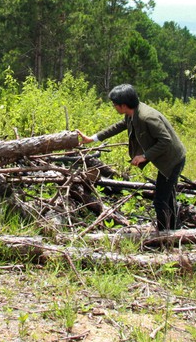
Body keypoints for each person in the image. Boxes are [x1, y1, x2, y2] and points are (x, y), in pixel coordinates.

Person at [77, 84, 186, 232]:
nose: (114, 107)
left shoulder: (146, 117)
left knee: (160, 200)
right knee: (167, 197)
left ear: (123, 105)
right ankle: (174, 229)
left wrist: (144, 156)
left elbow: (165, 141)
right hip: (167, 160)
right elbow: (117, 127)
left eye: (114, 104)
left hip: (172, 160)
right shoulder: (132, 114)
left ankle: (164, 235)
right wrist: (93, 138)